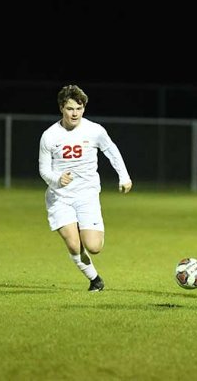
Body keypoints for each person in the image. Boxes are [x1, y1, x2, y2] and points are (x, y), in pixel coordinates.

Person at [38, 85, 132, 291]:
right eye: (70, 108)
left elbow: (112, 150)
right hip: (59, 196)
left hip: (86, 195)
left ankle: (84, 227)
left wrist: (124, 176)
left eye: (79, 109)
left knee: (94, 247)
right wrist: (56, 179)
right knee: (73, 244)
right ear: (62, 107)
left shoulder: (94, 130)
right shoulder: (49, 136)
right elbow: (43, 169)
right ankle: (95, 280)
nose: (75, 113)